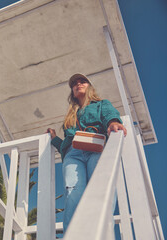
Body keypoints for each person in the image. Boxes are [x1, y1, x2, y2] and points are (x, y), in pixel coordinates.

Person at [46, 73, 127, 232]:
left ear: (89, 86)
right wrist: (55, 139)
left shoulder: (101, 104)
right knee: (73, 193)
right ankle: (73, 234)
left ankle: (101, 232)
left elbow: (109, 115)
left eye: (82, 81)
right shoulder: (71, 115)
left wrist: (113, 123)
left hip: (96, 149)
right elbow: (67, 143)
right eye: (74, 84)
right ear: (72, 93)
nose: (78, 84)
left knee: (100, 190)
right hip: (73, 154)